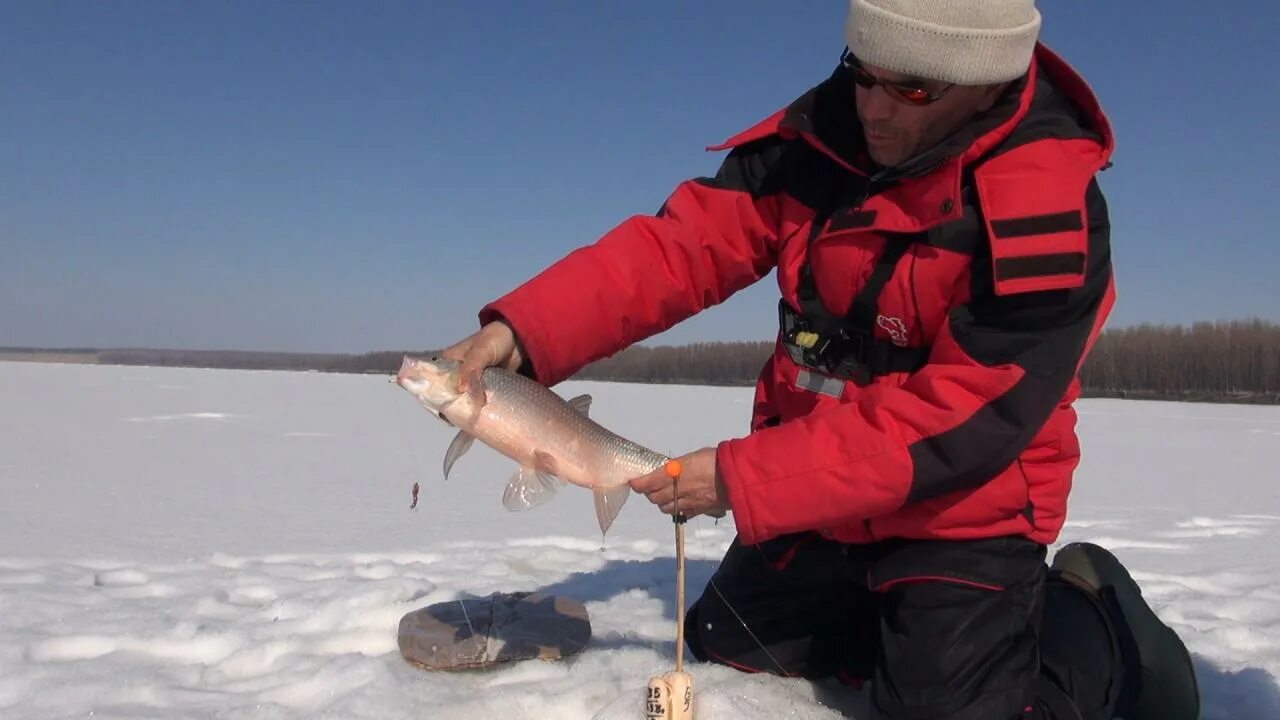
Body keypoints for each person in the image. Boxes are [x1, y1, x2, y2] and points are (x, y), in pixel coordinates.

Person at [440, 2, 1200, 718]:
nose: (871, 106)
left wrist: (746, 478)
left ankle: (1097, 627)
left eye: (909, 87)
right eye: (862, 69)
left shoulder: (1041, 213)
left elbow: (963, 420)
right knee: (729, 643)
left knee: (939, 708)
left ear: (986, 82)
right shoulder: (825, 137)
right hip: (823, 493)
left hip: (962, 508)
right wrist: (523, 331)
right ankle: (898, 624)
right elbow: (682, 249)